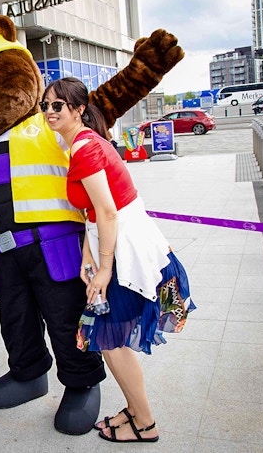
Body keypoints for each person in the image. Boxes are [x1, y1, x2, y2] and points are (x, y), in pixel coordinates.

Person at [42, 77, 194, 443]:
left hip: (127, 256)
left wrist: (105, 268)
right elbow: (92, 213)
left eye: (57, 105)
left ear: (78, 109)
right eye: (45, 105)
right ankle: (136, 412)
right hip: (118, 248)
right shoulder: (82, 144)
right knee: (110, 341)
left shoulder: (84, 148)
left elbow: (107, 212)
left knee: (113, 342)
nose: (49, 112)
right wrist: (87, 255)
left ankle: (144, 422)